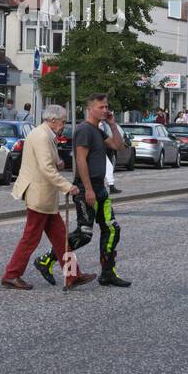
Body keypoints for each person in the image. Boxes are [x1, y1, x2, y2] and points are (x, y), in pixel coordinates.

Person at [3, 105, 96, 290]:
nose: (63, 125)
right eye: (62, 121)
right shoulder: (41, 136)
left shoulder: (45, 135)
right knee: (30, 238)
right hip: (39, 195)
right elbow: (46, 169)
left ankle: (72, 275)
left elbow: (47, 163)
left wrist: (58, 162)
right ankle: (11, 275)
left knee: (61, 238)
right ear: (52, 120)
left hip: (45, 197)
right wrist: (68, 187)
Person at [70, 93, 131, 287]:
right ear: (90, 109)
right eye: (100, 107)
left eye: (106, 107)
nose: (105, 110)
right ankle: (47, 259)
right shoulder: (84, 130)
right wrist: (87, 189)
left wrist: (113, 125)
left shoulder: (98, 129)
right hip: (86, 188)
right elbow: (80, 160)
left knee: (112, 229)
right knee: (84, 234)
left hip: (101, 187)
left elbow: (119, 147)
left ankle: (107, 273)